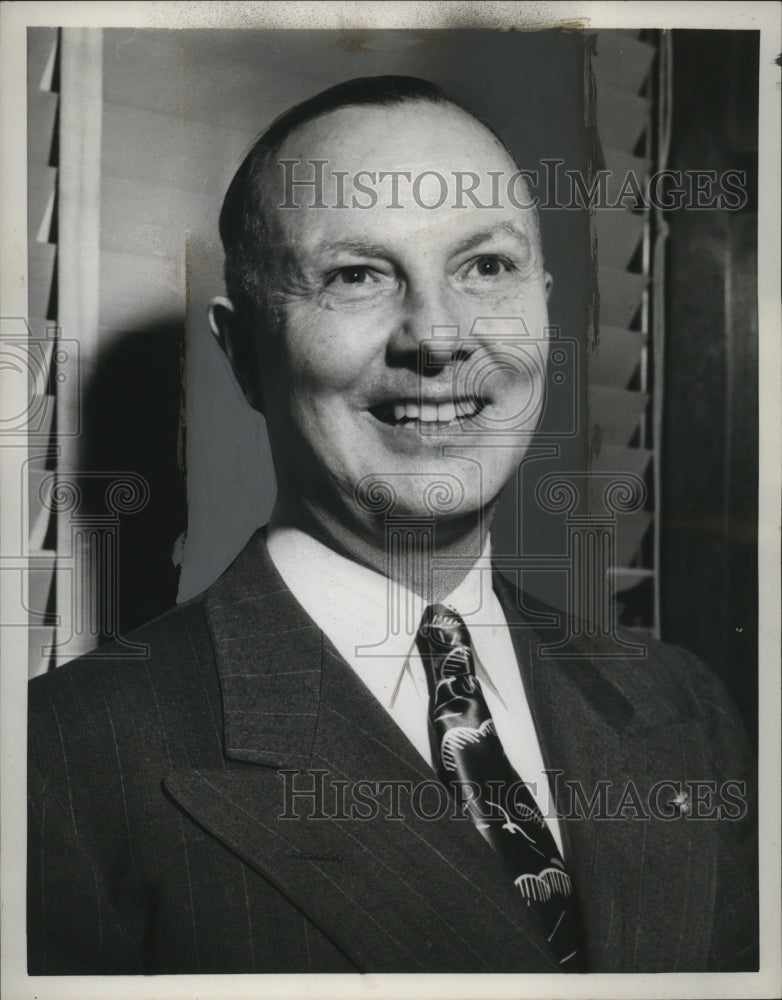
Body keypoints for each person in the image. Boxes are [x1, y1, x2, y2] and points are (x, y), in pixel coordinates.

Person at [27, 75, 757, 975]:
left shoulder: (685, 709)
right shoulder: (57, 762)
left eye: (486, 267)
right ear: (244, 352)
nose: (439, 337)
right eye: (357, 276)